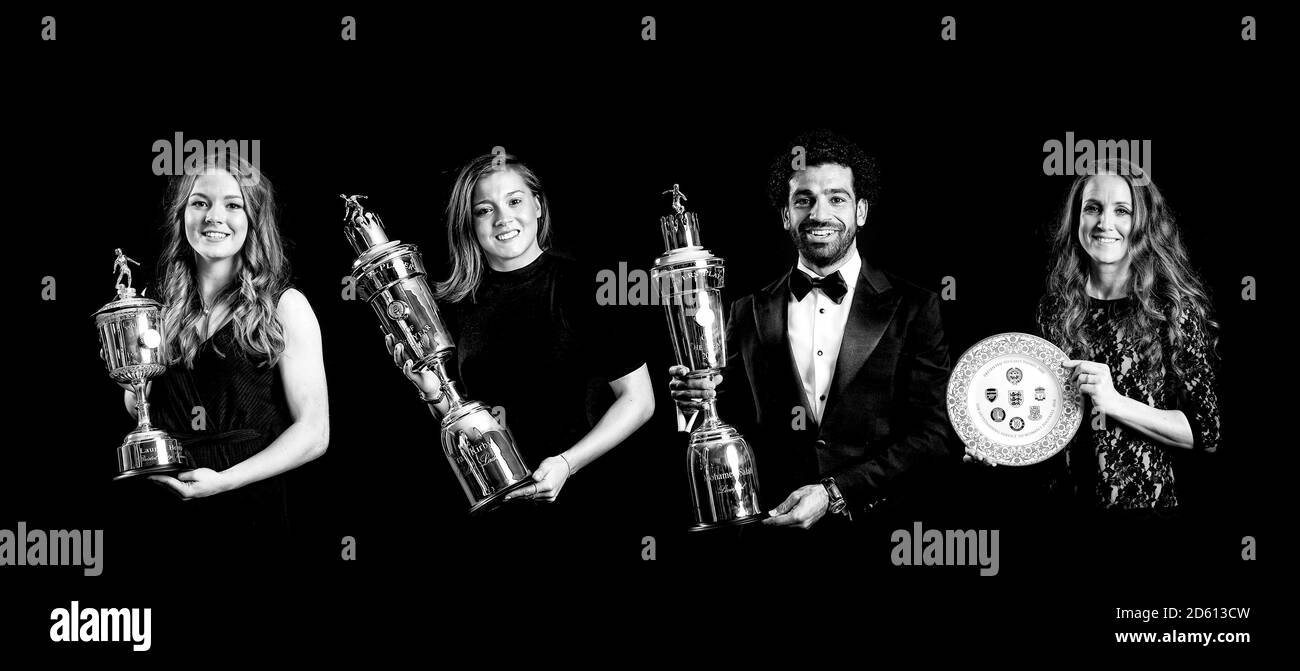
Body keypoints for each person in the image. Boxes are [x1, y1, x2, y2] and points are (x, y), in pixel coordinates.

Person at [670, 129, 953, 534]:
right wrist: (693, 400)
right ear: (787, 214)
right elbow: (728, 412)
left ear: (861, 211)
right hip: (774, 526)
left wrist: (835, 491)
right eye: (804, 200)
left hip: (888, 528)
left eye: (837, 198)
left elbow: (936, 432)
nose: (819, 214)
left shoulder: (916, 306)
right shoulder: (746, 311)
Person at [387, 151, 654, 516]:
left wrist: (566, 463)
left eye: (514, 201)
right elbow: (467, 422)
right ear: (470, 223)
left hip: (592, 499)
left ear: (538, 206)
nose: (502, 218)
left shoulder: (586, 287)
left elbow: (638, 400)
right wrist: (435, 395)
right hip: (499, 508)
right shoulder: (452, 306)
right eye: (484, 210)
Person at [128, 151, 329, 555]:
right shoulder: (155, 308)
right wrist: (130, 374)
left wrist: (225, 481)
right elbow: (141, 410)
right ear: (182, 214)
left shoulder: (285, 306)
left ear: (253, 219)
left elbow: (314, 433)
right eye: (200, 202)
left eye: (233, 204)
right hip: (162, 506)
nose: (214, 216)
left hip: (252, 510)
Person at [1034, 159, 1220, 510]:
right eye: (1093, 208)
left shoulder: (1171, 309)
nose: (1105, 223)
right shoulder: (1057, 307)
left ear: (1142, 222)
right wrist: (1000, 444)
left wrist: (1115, 402)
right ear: (1077, 219)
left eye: (1122, 210)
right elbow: (1046, 413)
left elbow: (1206, 434)